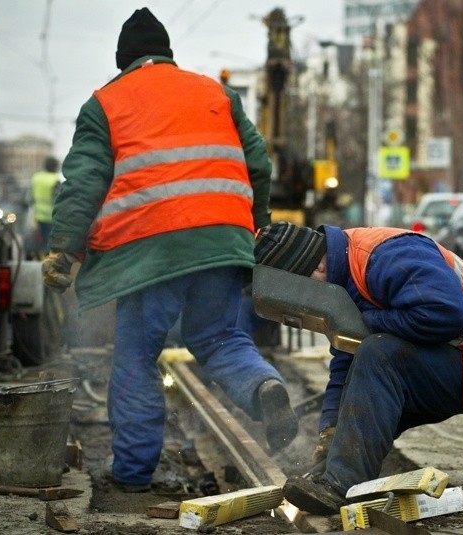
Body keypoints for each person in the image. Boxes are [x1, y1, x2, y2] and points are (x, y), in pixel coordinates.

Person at [41, 8, 297, 492]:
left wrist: (64, 249)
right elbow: (258, 163)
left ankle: (133, 474)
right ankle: (263, 387)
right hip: (223, 241)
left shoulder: (106, 102)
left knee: (138, 356)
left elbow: (84, 183)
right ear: (167, 55)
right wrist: (255, 228)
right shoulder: (217, 93)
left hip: (150, 247)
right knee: (220, 338)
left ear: (124, 61)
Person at [253, 222, 463, 515]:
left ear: (317, 268)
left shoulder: (386, 257)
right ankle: (335, 472)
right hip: (461, 358)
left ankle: (341, 486)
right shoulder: (342, 275)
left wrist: (370, 323)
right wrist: (331, 431)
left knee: (378, 354)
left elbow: (450, 314)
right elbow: (346, 357)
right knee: (368, 367)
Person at [29, 156, 61, 257]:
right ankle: (46, 260)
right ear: (55, 167)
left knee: (36, 240)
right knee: (48, 242)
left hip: (37, 215)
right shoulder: (55, 180)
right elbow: (58, 199)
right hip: (50, 217)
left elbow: (29, 197)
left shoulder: (36, 178)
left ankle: (35, 255)